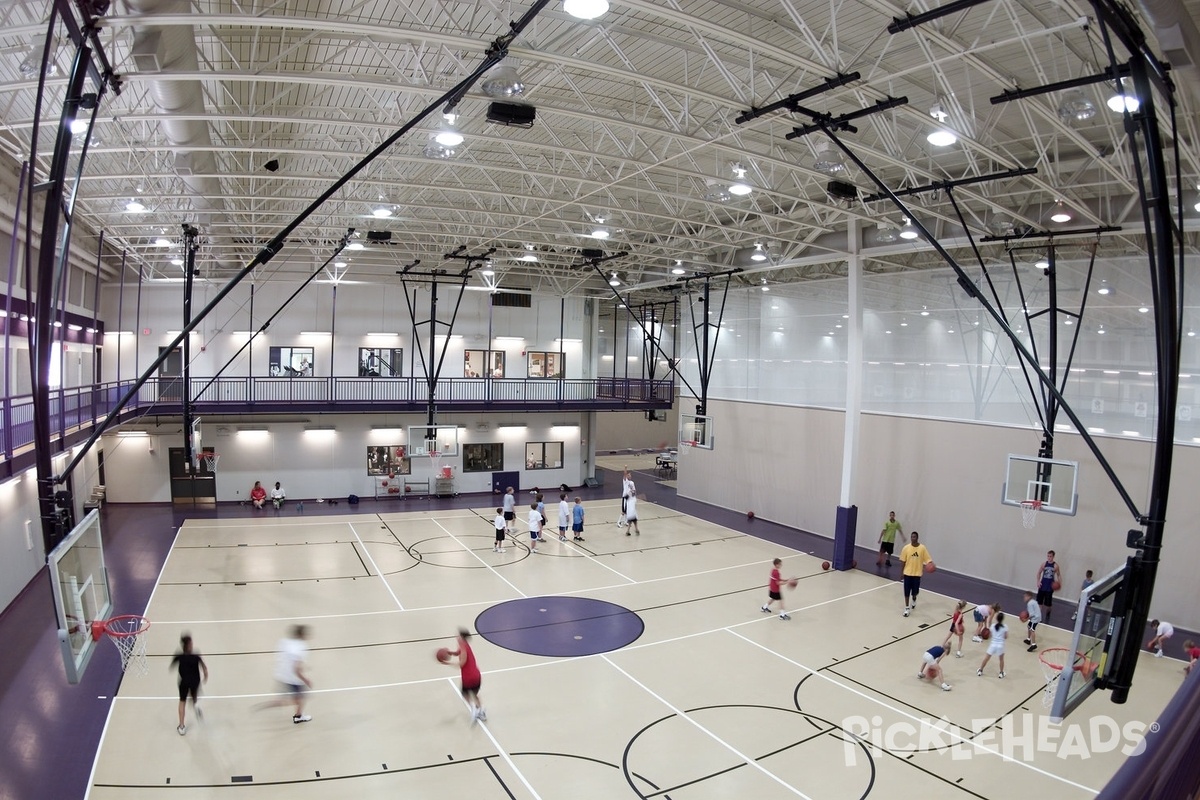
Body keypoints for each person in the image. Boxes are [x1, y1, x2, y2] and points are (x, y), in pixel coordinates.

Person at [264, 625, 313, 723]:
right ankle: (297, 716)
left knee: (297, 697)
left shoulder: (284, 642)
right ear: (302, 635)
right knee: (301, 697)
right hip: (293, 678)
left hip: (281, 674)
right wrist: (306, 680)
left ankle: (296, 713)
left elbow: (284, 657)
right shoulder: (301, 648)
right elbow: (296, 670)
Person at [170, 634, 208, 735]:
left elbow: (172, 666)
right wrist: (205, 676)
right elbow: (204, 668)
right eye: (191, 643)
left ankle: (181, 726)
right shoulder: (196, 656)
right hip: (194, 682)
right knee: (194, 696)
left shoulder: (179, 656)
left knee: (182, 701)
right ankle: (195, 705)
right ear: (188, 645)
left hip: (184, 683)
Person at [444, 628, 485, 721]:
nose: (456, 637)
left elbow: (462, 663)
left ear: (462, 637)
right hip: (476, 675)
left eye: (458, 635)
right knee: (474, 694)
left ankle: (474, 709)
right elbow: (458, 653)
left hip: (468, 677)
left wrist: (448, 663)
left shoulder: (463, 647)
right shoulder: (464, 645)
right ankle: (481, 711)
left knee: (464, 694)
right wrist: (451, 652)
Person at [898, 531, 932, 617]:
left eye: (914, 537)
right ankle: (906, 608)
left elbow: (928, 559)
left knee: (915, 592)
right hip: (907, 573)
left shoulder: (922, 548)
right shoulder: (906, 548)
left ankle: (914, 598)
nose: (913, 538)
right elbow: (903, 561)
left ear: (917, 538)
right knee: (906, 592)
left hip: (917, 574)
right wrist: (902, 572)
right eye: (911, 537)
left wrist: (931, 564)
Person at [977, 612, 1008, 678]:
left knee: (986, 658)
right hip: (1000, 645)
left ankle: (980, 670)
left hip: (993, 645)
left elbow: (990, 635)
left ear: (996, 618)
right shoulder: (1005, 627)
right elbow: (1005, 637)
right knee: (1001, 660)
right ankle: (1001, 673)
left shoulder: (993, 626)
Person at [1035, 550, 1062, 622]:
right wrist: (1038, 582)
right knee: (1039, 603)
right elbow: (1038, 573)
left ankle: (1048, 613)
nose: (1049, 558)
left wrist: (1059, 583)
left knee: (1048, 605)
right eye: (1048, 556)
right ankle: (1039, 617)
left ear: (1053, 557)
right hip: (1042, 585)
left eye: (1050, 556)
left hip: (1049, 588)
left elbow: (1058, 575)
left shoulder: (1055, 566)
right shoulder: (1044, 564)